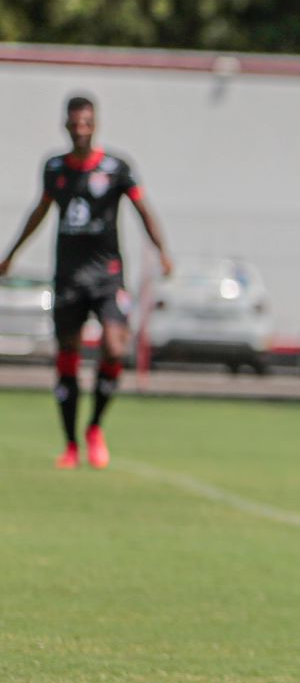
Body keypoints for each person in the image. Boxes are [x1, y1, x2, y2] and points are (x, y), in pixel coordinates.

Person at [0, 95, 174, 469]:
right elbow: (40, 211)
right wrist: (11, 252)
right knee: (67, 355)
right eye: (75, 123)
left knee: (114, 347)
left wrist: (161, 250)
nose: (80, 129)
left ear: (94, 126)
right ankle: (70, 444)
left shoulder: (116, 168)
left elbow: (143, 210)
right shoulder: (55, 168)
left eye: (86, 123)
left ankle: (94, 427)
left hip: (108, 277)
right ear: (66, 126)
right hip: (68, 278)